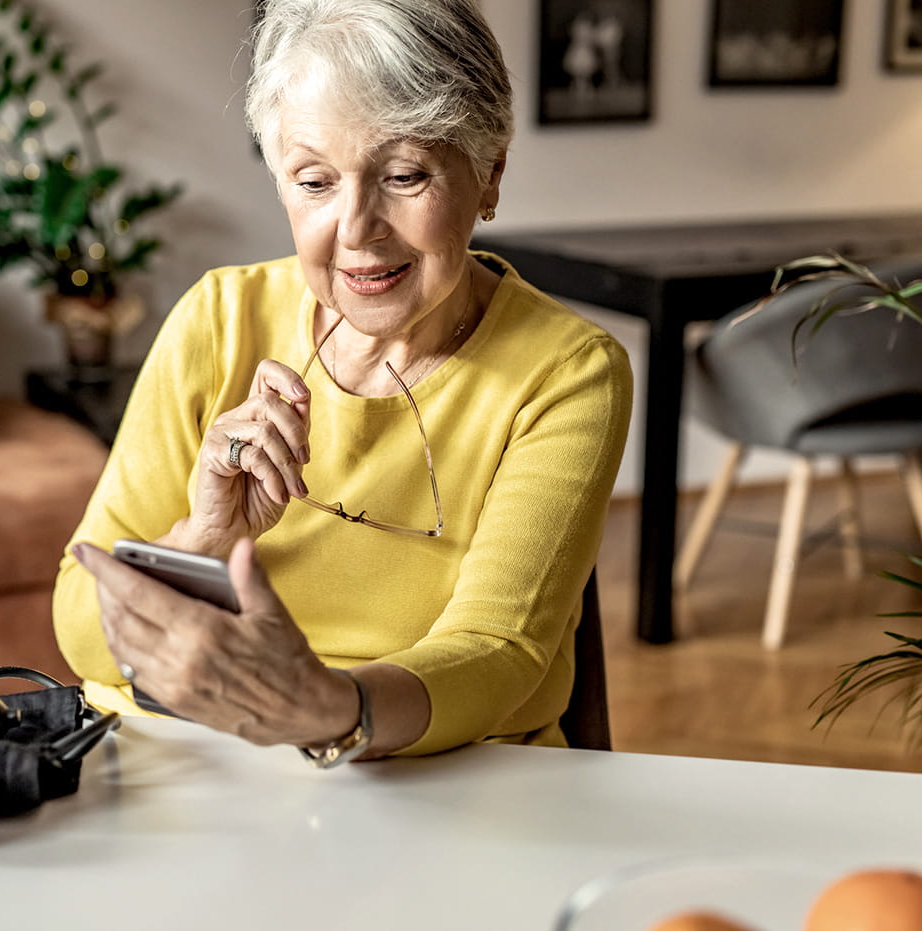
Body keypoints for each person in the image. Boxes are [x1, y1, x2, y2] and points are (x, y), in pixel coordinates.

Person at [52, 0, 632, 762]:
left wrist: (327, 709)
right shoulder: (218, 318)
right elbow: (80, 625)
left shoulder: (565, 372)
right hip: (187, 768)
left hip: (441, 783)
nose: (357, 227)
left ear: (488, 176)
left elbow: (500, 655)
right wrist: (202, 542)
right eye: (316, 181)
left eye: (402, 175)